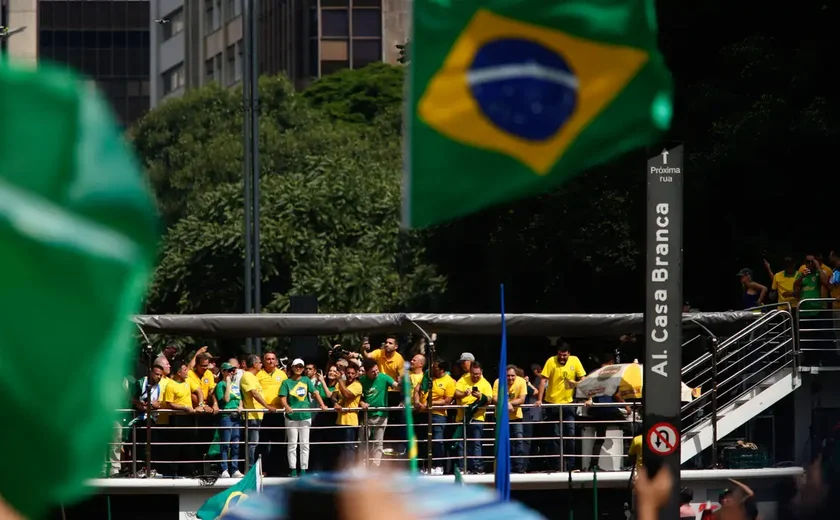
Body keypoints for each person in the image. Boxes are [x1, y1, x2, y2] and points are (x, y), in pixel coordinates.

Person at [535, 342, 586, 471]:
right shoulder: (551, 361)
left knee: (570, 434)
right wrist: (539, 399)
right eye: (560, 355)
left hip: (568, 403)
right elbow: (543, 381)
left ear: (569, 354)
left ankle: (570, 465)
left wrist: (577, 386)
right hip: (552, 403)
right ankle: (557, 466)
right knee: (555, 435)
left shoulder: (575, 360)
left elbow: (584, 380)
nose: (562, 358)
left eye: (564, 355)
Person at [278, 359, 329, 477]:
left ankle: (304, 470)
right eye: (296, 366)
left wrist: (322, 405)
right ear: (292, 367)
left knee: (305, 444)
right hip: (291, 417)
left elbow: (315, 393)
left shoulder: (306, 380)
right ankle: (293, 470)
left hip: (305, 416)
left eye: (301, 366)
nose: (298, 368)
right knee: (292, 444)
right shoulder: (286, 382)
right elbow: (282, 397)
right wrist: (286, 407)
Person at [358, 358, 400, 467]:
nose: (376, 372)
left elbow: (397, 386)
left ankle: (375, 466)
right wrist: (361, 403)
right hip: (366, 415)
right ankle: (363, 465)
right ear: (366, 372)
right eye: (373, 371)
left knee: (378, 442)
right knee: (363, 442)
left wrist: (402, 383)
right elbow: (357, 396)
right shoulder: (361, 380)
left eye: (377, 370)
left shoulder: (384, 377)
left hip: (381, 415)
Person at [453, 362, 493, 474]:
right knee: (461, 444)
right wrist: (464, 394)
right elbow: (455, 393)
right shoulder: (463, 380)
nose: (475, 376)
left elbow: (489, 399)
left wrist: (480, 396)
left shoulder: (485, 384)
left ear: (481, 372)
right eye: (473, 374)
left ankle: (477, 467)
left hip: (477, 417)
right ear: (470, 372)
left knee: (476, 443)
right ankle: (462, 467)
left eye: (478, 374)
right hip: (462, 417)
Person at [493, 364, 528, 473]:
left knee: (518, 441)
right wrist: (507, 404)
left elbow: (522, 399)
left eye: (512, 376)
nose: (510, 378)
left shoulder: (521, 381)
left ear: (516, 375)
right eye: (508, 376)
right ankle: (504, 468)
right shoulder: (498, 382)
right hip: (501, 418)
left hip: (516, 417)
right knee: (502, 443)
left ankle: (519, 467)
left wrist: (508, 404)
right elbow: (494, 398)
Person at [216, 362, 244, 478]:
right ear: (223, 372)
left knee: (235, 444)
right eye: (229, 371)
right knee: (225, 444)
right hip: (226, 416)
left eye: (233, 371)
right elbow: (226, 399)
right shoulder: (220, 385)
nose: (232, 373)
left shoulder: (235, 386)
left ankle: (234, 469)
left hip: (236, 417)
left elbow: (239, 398)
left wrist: (241, 407)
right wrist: (227, 384)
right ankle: (224, 469)